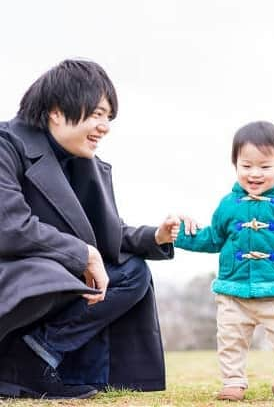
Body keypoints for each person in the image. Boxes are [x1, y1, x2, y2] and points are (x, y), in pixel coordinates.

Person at [0, 59, 182, 399]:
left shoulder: (84, 163)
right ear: (56, 110)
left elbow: (106, 234)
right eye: (97, 114)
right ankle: (17, 361)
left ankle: (37, 355)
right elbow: (7, 226)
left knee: (131, 270)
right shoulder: (5, 145)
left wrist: (154, 237)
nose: (105, 127)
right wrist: (81, 253)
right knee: (55, 269)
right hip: (15, 276)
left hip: (47, 275)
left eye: (108, 118)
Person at [175, 121, 274, 401]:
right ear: (235, 165)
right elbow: (214, 238)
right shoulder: (228, 205)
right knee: (230, 339)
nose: (255, 173)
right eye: (246, 166)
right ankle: (233, 380)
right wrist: (183, 235)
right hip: (233, 290)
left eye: (264, 166)